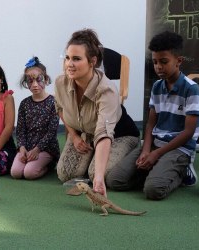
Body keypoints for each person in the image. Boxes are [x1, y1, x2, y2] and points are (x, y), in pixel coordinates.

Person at [106, 31, 199, 200]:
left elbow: (188, 133)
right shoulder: (157, 87)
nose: (158, 67)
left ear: (179, 61)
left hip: (179, 149)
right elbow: (150, 124)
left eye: (164, 62)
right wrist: (146, 150)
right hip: (155, 145)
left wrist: (156, 155)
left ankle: (182, 172)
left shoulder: (191, 89)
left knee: (153, 190)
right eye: (155, 62)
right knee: (114, 180)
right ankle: (157, 171)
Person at [54, 28, 140, 196]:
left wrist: (98, 179)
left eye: (77, 59)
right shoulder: (60, 82)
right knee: (66, 174)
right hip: (86, 133)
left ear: (92, 61)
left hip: (119, 134)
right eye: (68, 58)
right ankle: (92, 158)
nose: (69, 64)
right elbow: (60, 109)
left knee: (97, 174)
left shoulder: (106, 90)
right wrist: (74, 136)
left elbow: (104, 133)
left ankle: (132, 151)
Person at [10, 57, 60, 180]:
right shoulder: (24, 103)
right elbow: (20, 130)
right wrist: (22, 149)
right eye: (30, 81)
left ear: (46, 79)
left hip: (45, 148)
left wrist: (37, 149)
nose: (35, 85)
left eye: (39, 80)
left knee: (29, 173)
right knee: (16, 173)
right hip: (27, 147)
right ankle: (30, 160)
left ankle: (49, 164)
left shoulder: (53, 102)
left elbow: (51, 132)